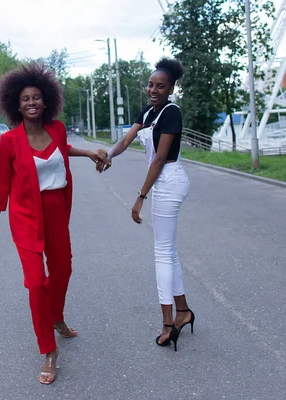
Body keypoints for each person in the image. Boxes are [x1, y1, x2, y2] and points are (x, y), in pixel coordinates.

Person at [0, 62, 108, 384]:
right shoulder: (10, 141)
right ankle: (49, 350)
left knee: (63, 270)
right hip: (25, 216)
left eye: (36, 97)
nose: (32, 103)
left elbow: (59, 149)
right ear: (16, 104)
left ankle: (57, 317)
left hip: (55, 210)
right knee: (37, 283)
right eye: (25, 99)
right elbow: (0, 183)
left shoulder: (58, 128)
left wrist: (88, 153)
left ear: (46, 100)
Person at [97, 58, 194, 351]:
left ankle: (168, 322)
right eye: (151, 84)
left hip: (170, 181)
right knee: (169, 252)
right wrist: (109, 155)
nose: (153, 89)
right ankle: (184, 311)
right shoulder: (149, 112)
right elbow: (126, 141)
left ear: (170, 88)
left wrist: (140, 197)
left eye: (160, 86)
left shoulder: (171, 113)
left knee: (162, 254)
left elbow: (160, 159)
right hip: (163, 183)